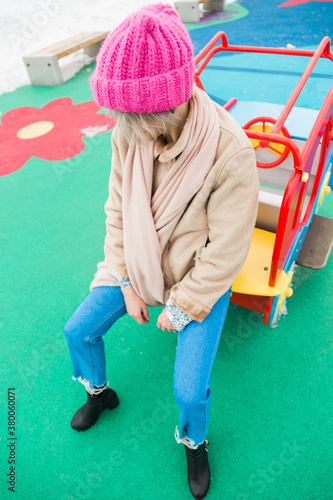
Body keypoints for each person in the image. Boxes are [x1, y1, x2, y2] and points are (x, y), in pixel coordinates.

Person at [63, 3, 259, 499]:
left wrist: (180, 306)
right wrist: (126, 280)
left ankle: (195, 441)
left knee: (189, 388)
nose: (119, 123)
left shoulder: (230, 151)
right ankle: (99, 393)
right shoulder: (130, 132)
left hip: (197, 283)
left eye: (129, 112)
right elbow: (116, 212)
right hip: (139, 266)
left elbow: (225, 253)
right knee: (78, 330)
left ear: (165, 106)